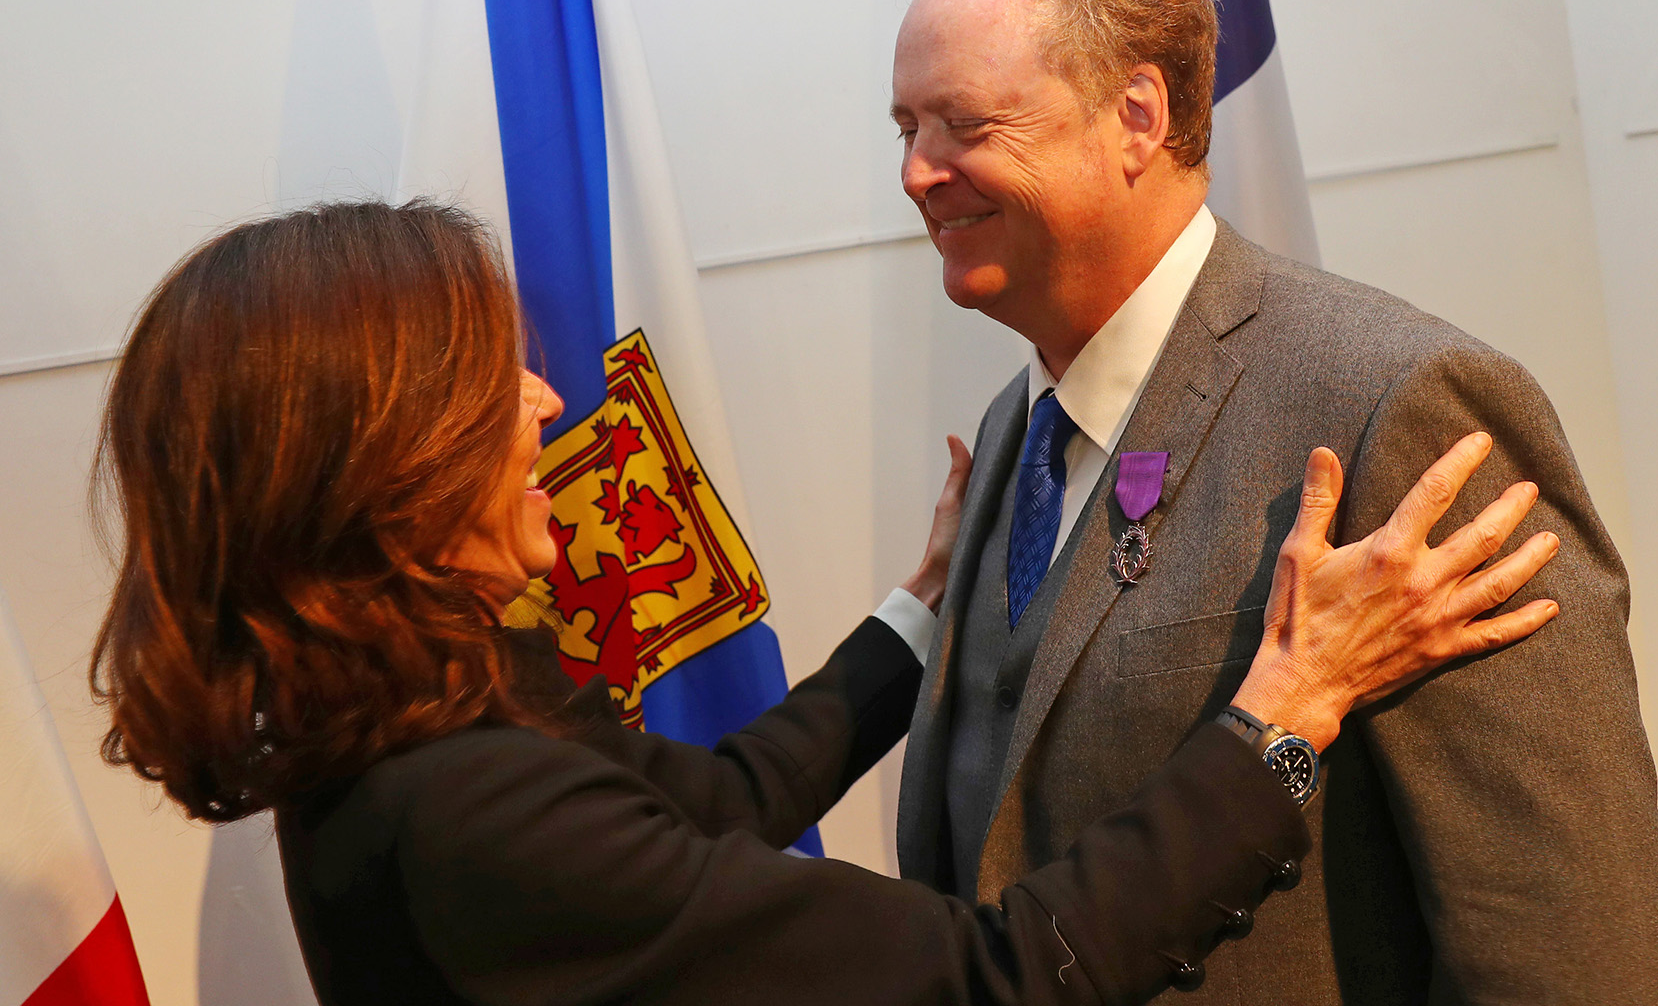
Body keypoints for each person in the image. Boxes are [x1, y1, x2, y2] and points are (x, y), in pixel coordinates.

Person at [91, 200, 1558, 1005]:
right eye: (490, 385)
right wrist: (1285, 715)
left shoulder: (425, 713)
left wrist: (923, 610)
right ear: (378, 466)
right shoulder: (465, 804)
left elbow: (714, 801)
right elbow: (995, 979)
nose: (543, 402)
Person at [887, 0, 1658, 1001]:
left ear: (1136, 119)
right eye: (908, 127)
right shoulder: (1014, 433)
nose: (918, 172)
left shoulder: (1396, 407)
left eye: (965, 123)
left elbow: (1566, 946)